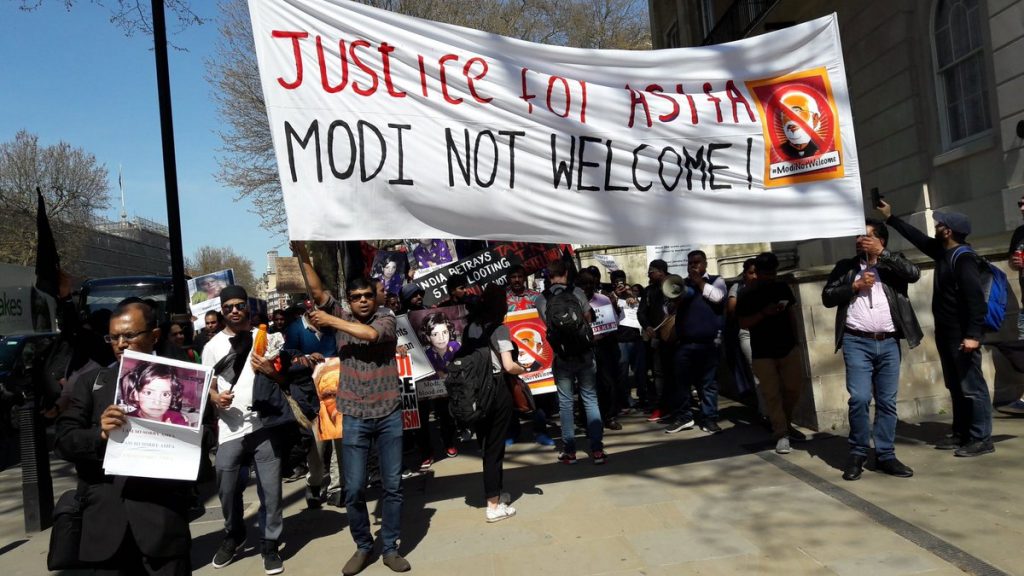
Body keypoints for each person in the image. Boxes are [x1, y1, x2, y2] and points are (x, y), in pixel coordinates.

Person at [55, 299, 194, 574]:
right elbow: (64, 440)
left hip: (162, 529)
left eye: (129, 335)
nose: (120, 343)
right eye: (114, 336)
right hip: (105, 530)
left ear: (154, 336)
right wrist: (100, 435)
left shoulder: (183, 384)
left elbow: (200, 458)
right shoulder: (93, 383)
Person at [308, 277, 411, 575]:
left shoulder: (386, 318)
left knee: (393, 486)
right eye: (356, 297)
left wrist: (330, 319)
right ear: (349, 301)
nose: (364, 300)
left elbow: (369, 335)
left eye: (368, 295)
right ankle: (364, 545)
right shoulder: (341, 316)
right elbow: (317, 290)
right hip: (353, 415)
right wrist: (301, 250)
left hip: (388, 412)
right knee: (353, 489)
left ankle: (390, 547)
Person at [881, 201, 994, 456]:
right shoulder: (945, 253)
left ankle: (981, 439)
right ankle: (961, 434)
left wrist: (973, 335)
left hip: (963, 335)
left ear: (949, 231)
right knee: (956, 386)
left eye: (940, 224)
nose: (937, 226)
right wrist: (891, 218)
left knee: (972, 387)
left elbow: (976, 301)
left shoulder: (964, 259)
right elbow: (919, 239)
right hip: (947, 333)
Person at [823, 218, 922, 481]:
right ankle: (857, 452)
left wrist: (883, 255)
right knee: (859, 398)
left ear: (881, 240)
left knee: (887, 402)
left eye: (866, 237)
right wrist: (853, 287)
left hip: (888, 342)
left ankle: (886, 455)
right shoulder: (846, 267)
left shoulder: (893, 264)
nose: (859, 241)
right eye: (857, 237)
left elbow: (914, 273)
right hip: (857, 342)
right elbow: (827, 297)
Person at [204, 286, 289, 574]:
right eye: (228, 307)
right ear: (221, 311)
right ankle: (235, 534)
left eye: (239, 305)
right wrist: (216, 399)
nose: (234, 311)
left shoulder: (266, 338)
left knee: (271, 490)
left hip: (264, 424)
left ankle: (270, 543)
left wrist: (269, 370)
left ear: (248, 308)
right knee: (226, 487)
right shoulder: (212, 347)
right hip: (229, 430)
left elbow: (282, 376)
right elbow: (207, 388)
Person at [463, 284, 524, 522]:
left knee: (487, 446)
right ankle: (493, 505)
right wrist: (524, 368)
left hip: (476, 392)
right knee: (494, 450)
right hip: (497, 391)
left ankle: (496, 493)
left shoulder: (471, 328)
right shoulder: (500, 329)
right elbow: (509, 366)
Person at [536, 260, 605, 465]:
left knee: (565, 403)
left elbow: (547, 324)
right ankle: (597, 449)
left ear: (549, 276)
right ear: (566, 273)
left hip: (563, 357)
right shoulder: (578, 293)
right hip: (584, 354)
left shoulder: (542, 299)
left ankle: (569, 451)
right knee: (590, 399)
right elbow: (588, 319)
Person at [736, 253, 803, 455]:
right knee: (771, 394)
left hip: (787, 346)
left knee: (793, 388)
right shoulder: (747, 294)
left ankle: (786, 423)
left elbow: (792, 313)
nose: (770, 276)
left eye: (773, 272)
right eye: (766, 273)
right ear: (757, 272)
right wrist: (764, 313)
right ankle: (781, 433)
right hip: (762, 351)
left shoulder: (782, 287)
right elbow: (742, 323)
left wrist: (797, 339)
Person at [662, 250, 727, 435]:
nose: (693, 265)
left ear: (705, 263)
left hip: (709, 343)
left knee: (708, 384)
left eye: (697, 262)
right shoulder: (681, 283)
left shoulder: (717, 280)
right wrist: (675, 301)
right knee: (681, 383)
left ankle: (709, 419)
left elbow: (719, 298)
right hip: (685, 343)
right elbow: (666, 309)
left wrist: (699, 282)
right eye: (690, 263)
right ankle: (684, 417)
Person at [414, 311, 459, 467]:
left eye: (444, 332)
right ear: (428, 337)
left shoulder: (456, 347)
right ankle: (427, 451)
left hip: (449, 391)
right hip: (430, 392)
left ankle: (449, 443)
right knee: (423, 420)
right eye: (435, 334)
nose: (441, 338)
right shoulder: (425, 354)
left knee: (448, 417)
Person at [637, 259, 670, 420]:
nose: (648, 274)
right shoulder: (649, 291)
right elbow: (641, 312)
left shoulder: (676, 284)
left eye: (651, 272)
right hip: (657, 338)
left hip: (676, 337)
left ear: (661, 272)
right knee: (658, 373)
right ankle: (661, 405)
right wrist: (647, 326)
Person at [1001, 195, 1024, 415]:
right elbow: (1012, 260)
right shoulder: (1019, 232)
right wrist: (1014, 263)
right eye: (1020, 203)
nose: (1022, 207)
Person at [121, 362, 189, 426]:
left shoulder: (178, 420)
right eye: (148, 393)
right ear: (135, 395)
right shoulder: (126, 421)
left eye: (165, 394)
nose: (157, 402)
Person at [778, 90, 821, 160]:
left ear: (815, 119)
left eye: (798, 112)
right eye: (786, 114)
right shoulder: (779, 151)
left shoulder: (820, 149)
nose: (791, 121)